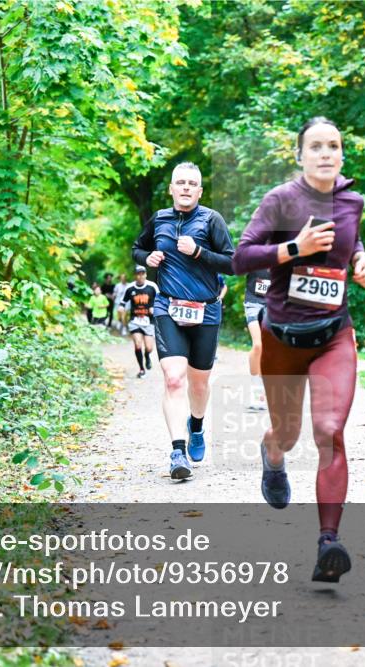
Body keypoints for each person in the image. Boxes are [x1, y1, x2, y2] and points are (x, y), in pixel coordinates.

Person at [232, 117, 365, 583]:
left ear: (341, 154)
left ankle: (328, 544)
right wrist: (293, 248)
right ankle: (272, 455)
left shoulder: (352, 201)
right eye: (315, 146)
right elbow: (241, 258)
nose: (325, 154)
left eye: (333, 146)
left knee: (330, 430)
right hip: (283, 339)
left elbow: (352, 242)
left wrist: (360, 259)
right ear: (300, 156)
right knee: (289, 434)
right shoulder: (280, 200)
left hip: (334, 334)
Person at [131, 161, 235, 480]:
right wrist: (145, 258)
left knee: (199, 382)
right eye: (181, 182)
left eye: (192, 183)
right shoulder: (159, 219)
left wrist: (198, 253)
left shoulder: (211, 220)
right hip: (167, 306)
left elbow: (232, 263)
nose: (187, 187)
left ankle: (197, 426)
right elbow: (138, 248)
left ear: (200, 191)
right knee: (174, 378)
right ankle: (178, 451)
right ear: (172, 189)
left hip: (205, 309)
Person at [122, 266, 159, 378]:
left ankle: (147, 356)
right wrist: (121, 311)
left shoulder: (152, 286)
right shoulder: (130, 288)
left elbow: (160, 300)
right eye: (138, 274)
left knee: (149, 348)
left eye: (143, 273)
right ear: (135, 275)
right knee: (138, 344)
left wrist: (154, 307)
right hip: (135, 321)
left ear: (146, 275)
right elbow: (122, 302)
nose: (141, 276)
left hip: (149, 321)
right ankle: (141, 369)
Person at [243, 268, 270, 410]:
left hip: (274, 305)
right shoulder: (253, 247)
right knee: (258, 345)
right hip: (253, 302)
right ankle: (256, 389)